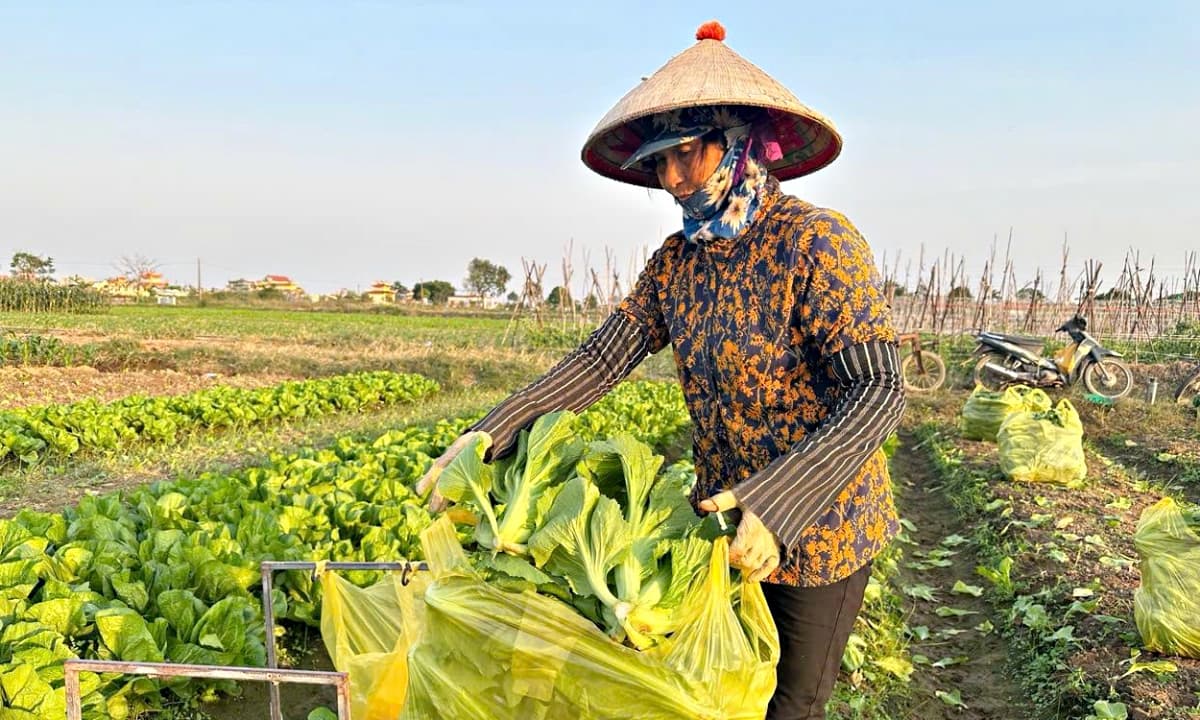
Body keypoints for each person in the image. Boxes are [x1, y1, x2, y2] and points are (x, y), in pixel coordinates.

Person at [416, 20, 905, 720]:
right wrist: (486, 436)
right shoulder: (676, 264)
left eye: (686, 156)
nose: (672, 181)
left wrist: (778, 504)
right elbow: (600, 358)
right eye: (657, 165)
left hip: (821, 527)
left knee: (788, 705)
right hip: (716, 525)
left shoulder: (816, 243)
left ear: (734, 142)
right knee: (715, 693)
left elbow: (878, 389)